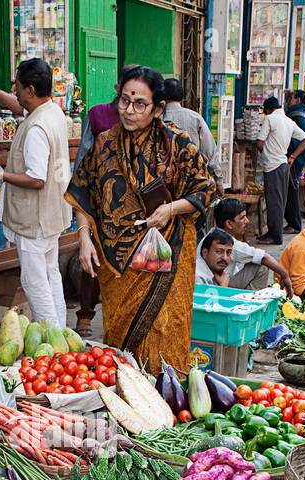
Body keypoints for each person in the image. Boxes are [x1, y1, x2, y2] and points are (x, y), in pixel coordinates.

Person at [67, 65, 215, 369]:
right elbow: (83, 193)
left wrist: (170, 209)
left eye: (139, 104)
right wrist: (83, 237)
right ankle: (127, 394)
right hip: (118, 264)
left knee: (165, 329)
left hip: (168, 254)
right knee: (121, 338)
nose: (129, 110)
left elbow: (204, 188)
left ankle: (167, 394)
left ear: (158, 108)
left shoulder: (177, 143)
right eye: (124, 101)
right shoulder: (104, 144)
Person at [0, 59, 72, 330]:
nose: (14, 91)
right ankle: (61, 335)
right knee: (51, 275)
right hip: (52, 215)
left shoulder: (37, 129)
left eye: (17, 86)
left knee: (35, 281)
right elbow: (18, 106)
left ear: (30, 89)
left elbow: (36, 179)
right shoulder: (51, 111)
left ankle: (52, 341)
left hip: (34, 219)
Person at [72, 73, 129, 337]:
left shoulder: (147, 116)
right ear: (118, 87)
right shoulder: (97, 115)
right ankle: (85, 314)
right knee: (93, 257)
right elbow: (84, 156)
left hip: (131, 202)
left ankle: (120, 320)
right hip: (100, 197)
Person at [198, 198, 294, 291]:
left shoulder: (214, 234)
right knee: (261, 266)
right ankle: (251, 301)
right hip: (213, 287)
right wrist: (285, 276)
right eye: (242, 217)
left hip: (221, 282)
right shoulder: (224, 242)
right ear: (229, 224)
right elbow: (264, 258)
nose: (247, 221)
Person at [256, 96, 305, 244]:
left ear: (267, 110)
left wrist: (264, 151)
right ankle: (274, 233)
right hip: (284, 165)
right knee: (279, 201)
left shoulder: (270, 119)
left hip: (273, 165)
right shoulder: (288, 121)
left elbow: (260, 142)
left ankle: (274, 235)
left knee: (274, 202)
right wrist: (292, 156)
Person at [161, 77, 222, 187]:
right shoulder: (195, 117)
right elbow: (210, 150)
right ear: (181, 96)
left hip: (162, 181)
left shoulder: (155, 119)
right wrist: (219, 180)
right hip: (193, 180)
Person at [284, 90, 305, 232]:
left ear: (297, 100)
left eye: (290, 98)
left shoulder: (297, 115)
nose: (287, 100)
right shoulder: (302, 111)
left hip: (295, 155)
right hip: (295, 155)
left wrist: (293, 156)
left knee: (291, 188)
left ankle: (294, 223)